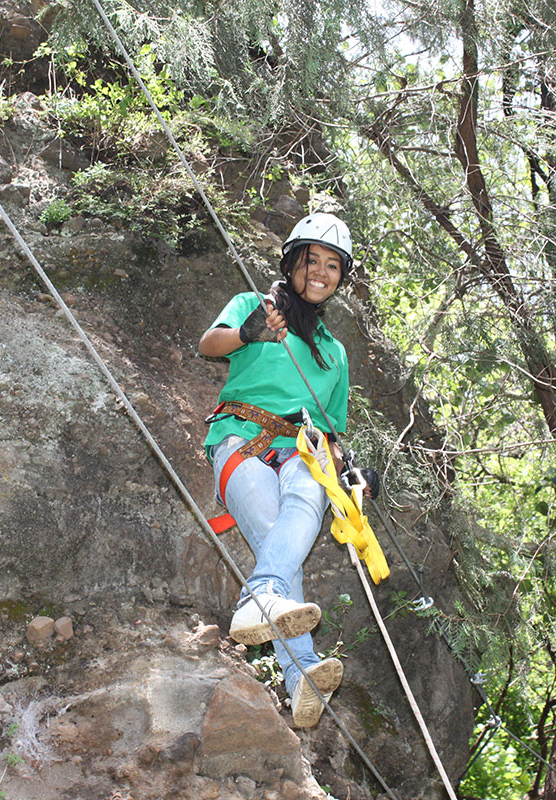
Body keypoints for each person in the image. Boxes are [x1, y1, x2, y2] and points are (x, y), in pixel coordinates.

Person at [199, 212, 377, 728]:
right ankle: (300, 671)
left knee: (303, 508)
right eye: (311, 260)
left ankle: (268, 615)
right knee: (281, 539)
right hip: (240, 438)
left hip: (304, 451)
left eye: (332, 266)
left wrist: (350, 470)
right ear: (291, 263)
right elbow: (209, 344)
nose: (320, 273)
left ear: (341, 278)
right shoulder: (257, 308)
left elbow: (333, 431)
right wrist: (249, 333)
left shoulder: (334, 353)